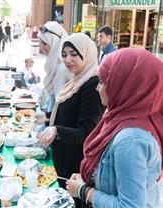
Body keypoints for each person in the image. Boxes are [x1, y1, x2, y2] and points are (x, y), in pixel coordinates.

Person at [66, 48, 163, 208]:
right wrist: (91, 179)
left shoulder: (131, 140)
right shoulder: (123, 117)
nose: (98, 88)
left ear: (126, 85)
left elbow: (130, 205)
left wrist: (84, 191)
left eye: (103, 82)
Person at [37, 33, 105, 193]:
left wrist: (56, 130)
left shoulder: (92, 85)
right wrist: (48, 119)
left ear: (87, 54)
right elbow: (68, 116)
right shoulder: (76, 80)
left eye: (74, 54)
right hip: (63, 158)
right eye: (64, 54)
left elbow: (87, 132)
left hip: (75, 164)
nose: (67, 59)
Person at [37, 21, 72, 112]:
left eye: (45, 43)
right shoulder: (55, 64)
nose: (41, 48)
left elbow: (59, 105)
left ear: (56, 42)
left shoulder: (62, 68)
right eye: (40, 43)